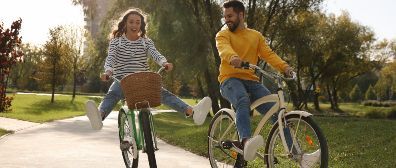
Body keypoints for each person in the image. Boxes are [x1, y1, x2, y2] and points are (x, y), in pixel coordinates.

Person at [85, 8, 211, 130]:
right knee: (112, 94)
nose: (134, 25)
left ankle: (193, 112)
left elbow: (155, 53)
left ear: (141, 25)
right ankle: (99, 117)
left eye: (138, 22)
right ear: (125, 23)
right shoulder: (116, 42)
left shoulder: (145, 41)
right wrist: (108, 72)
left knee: (163, 94)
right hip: (122, 81)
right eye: (131, 22)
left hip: (143, 81)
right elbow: (110, 58)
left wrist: (164, 63)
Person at [216, 0, 295, 163]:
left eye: (230, 16)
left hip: (251, 81)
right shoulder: (223, 34)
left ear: (241, 15)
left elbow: (269, 54)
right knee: (243, 99)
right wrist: (234, 58)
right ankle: (246, 142)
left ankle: (297, 153)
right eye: (225, 16)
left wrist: (285, 67)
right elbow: (224, 49)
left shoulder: (255, 36)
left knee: (276, 111)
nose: (227, 19)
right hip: (229, 80)